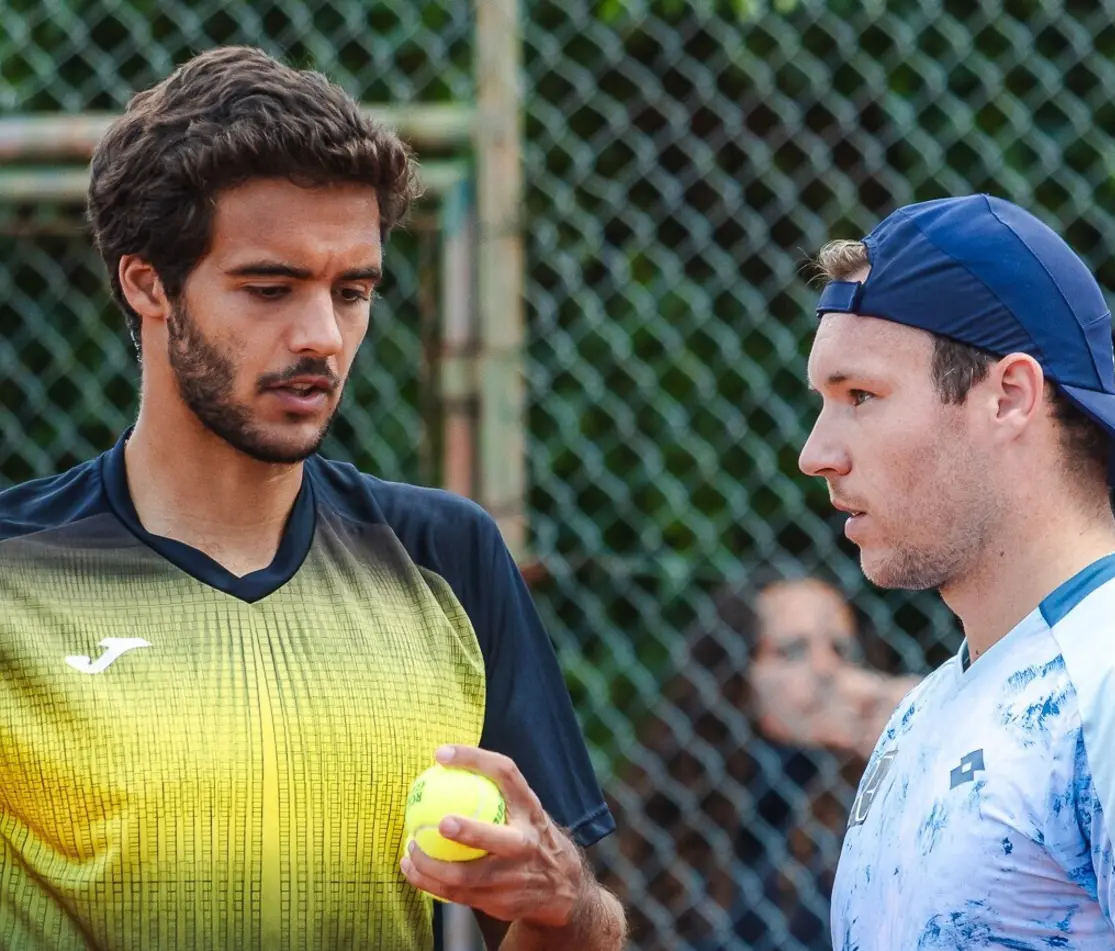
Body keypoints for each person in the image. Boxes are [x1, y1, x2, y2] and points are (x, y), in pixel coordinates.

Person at [0, 46, 625, 951]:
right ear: (148, 285)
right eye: (270, 288)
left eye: (353, 291)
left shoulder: (445, 555)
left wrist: (570, 904)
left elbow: (572, 934)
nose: (322, 336)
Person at [800, 194, 1115, 950]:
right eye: (824, 401)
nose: (816, 453)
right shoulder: (921, 715)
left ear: (1010, 396)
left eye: (861, 396)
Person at [601, 568, 914, 951]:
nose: (825, 669)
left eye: (841, 650)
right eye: (792, 651)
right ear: (738, 675)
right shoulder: (685, 810)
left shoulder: (892, 791)